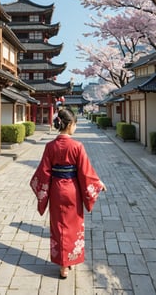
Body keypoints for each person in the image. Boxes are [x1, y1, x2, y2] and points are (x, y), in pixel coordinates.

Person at [30, 108, 106, 279]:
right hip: (73, 190)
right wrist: (98, 183)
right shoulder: (77, 146)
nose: (76, 128)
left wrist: (42, 190)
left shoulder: (50, 146)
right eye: (75, 125)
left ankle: (62, 264)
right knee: (73, 225)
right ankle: (69, 261)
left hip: (57, 189)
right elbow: (86, 173)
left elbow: (43, 172)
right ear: (70, 124)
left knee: (58, 225)